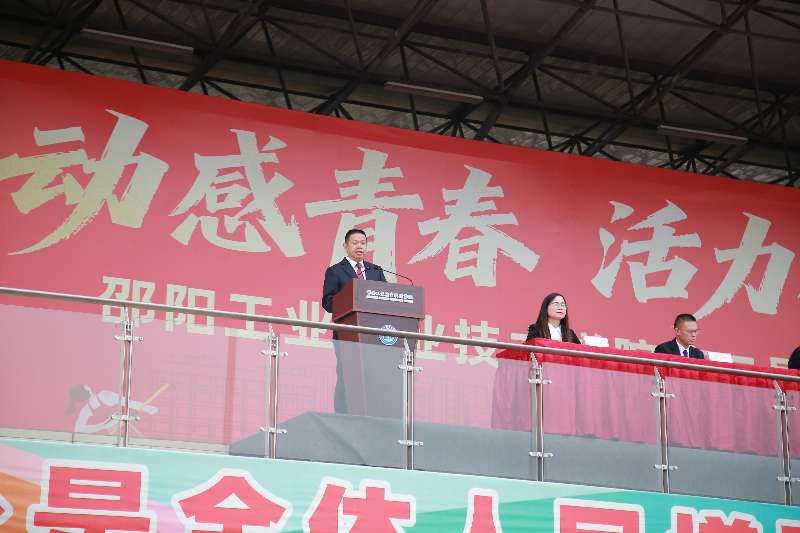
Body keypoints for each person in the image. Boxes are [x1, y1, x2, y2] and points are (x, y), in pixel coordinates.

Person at [321, 228, 387, 413]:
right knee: (347, 374)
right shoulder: (335, 271)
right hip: (347, 333)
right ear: (345, 246)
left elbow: (387, 297)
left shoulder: (376, 271)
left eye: (363, 243)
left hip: (373, 335)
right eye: (355, 242)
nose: (360, 246)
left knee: (373, 375)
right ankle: (343, 415)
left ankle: (371, 413)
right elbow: (328, 302)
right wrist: (350, 298)